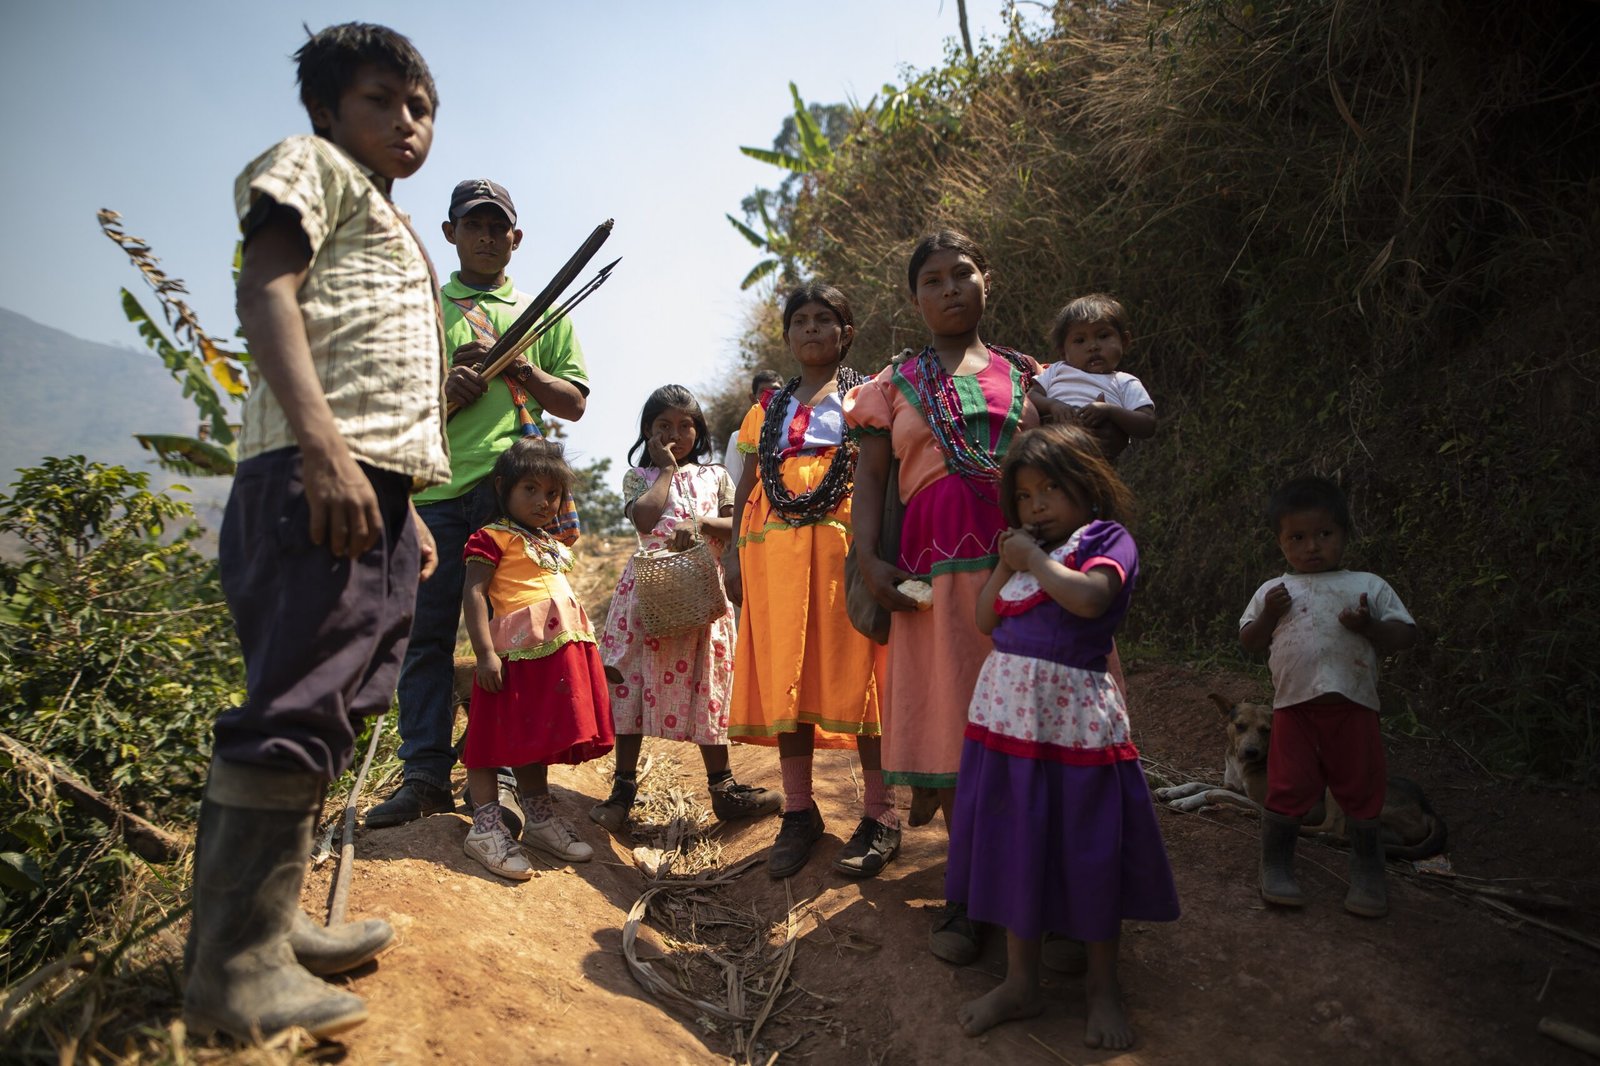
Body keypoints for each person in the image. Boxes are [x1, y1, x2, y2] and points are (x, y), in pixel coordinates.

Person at [184, 23, 445, 1040]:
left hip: (370, 486)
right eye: (381, 100)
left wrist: (405, 505)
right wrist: (325, 452)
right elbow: (266, 294)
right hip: (312, 474)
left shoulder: (392, 223)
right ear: (328, 110)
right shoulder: (314, 170)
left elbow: (386, 378)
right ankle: (234, 972)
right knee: (293, 698)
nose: (406, 123)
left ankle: (274, 918)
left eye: (420, 108)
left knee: (334, 696)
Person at [945, 423, 1179, 1048]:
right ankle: (1022, 983)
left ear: (1089, 487)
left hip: (1076, 726)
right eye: (1024, 495)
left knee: (1087, 845)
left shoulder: (1107, 539)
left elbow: (1089, 601)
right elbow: (986, 617)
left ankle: (1103, 988)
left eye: (1051, 488)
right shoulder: (1024, 553)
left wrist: (1035, 560)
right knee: (1020, 840)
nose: (1037, 505)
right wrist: (1006, 561)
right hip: (1009, 725)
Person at [366, 177, 590, 831]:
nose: (486, 237)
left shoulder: (541, 312)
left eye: (498, 227)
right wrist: (448, 385)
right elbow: (392, 402)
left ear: (515, 238)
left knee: (517, 639)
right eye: (473, 226)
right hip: (434, 492)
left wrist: (520, 368)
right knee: (426, 639)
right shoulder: (425, 310)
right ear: (450, 234)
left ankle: (514, 780)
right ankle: (425, 778)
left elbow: (573, 400)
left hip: (510, 502)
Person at [843, 230, 1040, 963]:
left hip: (1026, 576)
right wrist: (867, 558)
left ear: (987, 281)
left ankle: (1042, 891)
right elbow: (869, 480)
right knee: (956, 729)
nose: (950, 287)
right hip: (934, 580)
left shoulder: (1031, 375)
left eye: (963, 273)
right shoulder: (890, 385)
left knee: (1031, 724)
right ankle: (969, 890)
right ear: (914, 298)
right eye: (933, 279)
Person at [725, 284, 895, 879]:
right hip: (772, 554)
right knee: (787, 672)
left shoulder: (872, 395)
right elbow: (748, 486)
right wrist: (730, 560)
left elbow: (883, 472)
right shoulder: (765, 409)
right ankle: (799, 811)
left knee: (865, 673)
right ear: (787, 334)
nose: (813, 329)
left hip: (846, 547)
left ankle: (881, 814)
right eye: (801, 320)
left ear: (847, 334)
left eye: (827, 319)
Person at [592, 386, 781, 830]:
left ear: (699, 430)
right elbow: (643, 519)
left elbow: (738, 522)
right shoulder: (639, 476)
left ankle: (723, 788)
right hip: (646, 597)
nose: (675, 433)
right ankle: (622, 790)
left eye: (684, 425)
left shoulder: (717, 476)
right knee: (631, 685)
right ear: (647, 431)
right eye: (663, 426)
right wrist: (666, 472)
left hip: (702, 596)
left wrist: (699, 524)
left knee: (707, 687)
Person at [1240, 475, 1417, 917]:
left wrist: (1368, 627)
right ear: (1281, 543)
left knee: (1361, 790)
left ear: (1344, 535)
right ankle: (1276, 866)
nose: (1312, 546)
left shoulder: (1367, 585)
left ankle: (1367, 873)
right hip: (1294, 712)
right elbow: (1249, 640)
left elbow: (1403, 634)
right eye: (1297, 537)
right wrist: (1269, 614)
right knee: (1286, 789)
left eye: (1324, 534)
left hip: (1353, 709)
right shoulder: (1273, 592)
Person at [459, 438, 613, 879]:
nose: (544, 501)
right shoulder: (491, 537)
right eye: (531, 489)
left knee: (534, 737)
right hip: (512, 654)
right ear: (503, 486)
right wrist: (485, 653)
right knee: (490, 740)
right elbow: (474, 592)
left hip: (555, 651)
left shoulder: (548, 541)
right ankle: (486, 829)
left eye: (553, 493)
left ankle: (539, 818)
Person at [1029, 294, 1155, 463]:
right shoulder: (1057, 370)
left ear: (1124, 341)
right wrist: (1053, 405)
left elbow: (1148, 424)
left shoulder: (1125, 382)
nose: (1093, 347)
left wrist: (1109, 411)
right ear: (1063, 351)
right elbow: (1032, 396)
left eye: (1103, 336)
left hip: (1096, 461)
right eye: (1079, 340)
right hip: (1049, 453)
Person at [722, 368, 783, 490]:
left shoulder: (794, 431)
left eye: (775, 391)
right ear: (753, 398)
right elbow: (734, 483)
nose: (770, 396)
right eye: (763, 392)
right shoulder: (738, 437)